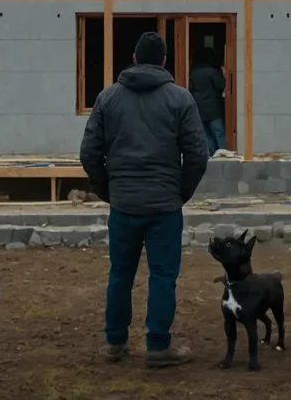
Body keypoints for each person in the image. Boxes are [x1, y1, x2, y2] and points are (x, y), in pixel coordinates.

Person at [80, 31, 209, 368]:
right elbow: (197, 154)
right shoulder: (180, 99)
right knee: (163, 276)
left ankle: (115, 342)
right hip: (164, 205)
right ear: (165, 61)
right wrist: (180, 192)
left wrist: (108, 189)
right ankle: (157, 346)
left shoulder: (108, 98)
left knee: (120, 273)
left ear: (134, 58)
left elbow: (89, 152)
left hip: (124, 203)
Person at [188, 47, 227, 155]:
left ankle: (212, 155)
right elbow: (220, 85)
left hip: (200, 109)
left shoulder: (193, 73)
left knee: (207, 134)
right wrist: (225, 76)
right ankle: (223, 155)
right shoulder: (213, 72)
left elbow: (190, 90)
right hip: (213, 110)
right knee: (218, 133)